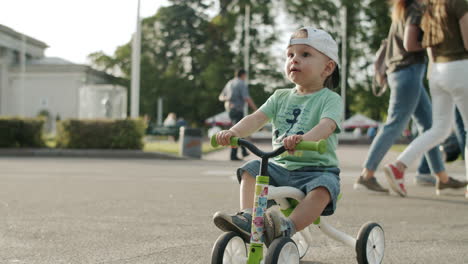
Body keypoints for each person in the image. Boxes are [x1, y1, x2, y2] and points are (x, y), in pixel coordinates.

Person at [212, 27, 343, 245]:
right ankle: (249, 217)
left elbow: (326, 126)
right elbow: (255, 118)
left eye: (305, 54)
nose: (294, 60)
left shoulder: (330, 99)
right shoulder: (280, 97)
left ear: (328, 67)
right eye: (290, 55)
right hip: (280, 167)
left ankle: (285, 228)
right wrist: (233, 132)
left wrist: (304, 140)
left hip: (317, 169)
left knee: (324, 189)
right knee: (250, 170)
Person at [354, 0, 451, 195]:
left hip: (400, 72)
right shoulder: (415, 9)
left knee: (429, 124)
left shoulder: (403, 9)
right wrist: (434, 41)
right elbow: (410, 43)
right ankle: (367, 175)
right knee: (395, 123)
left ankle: (443, 178)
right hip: (409, 70)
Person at [384, 0, 468, 198]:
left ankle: (399, 165)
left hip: (437, 71)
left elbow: (429, 46)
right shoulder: (458, 4)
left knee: (439, 129)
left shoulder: (428, 7)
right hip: (461, 68)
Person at [219, 69, 258, 161]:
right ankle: (234, 154)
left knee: (237, 130)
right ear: (243, 75)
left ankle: (243, 151)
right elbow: (246, 98)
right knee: (237, 132)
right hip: (238, 109)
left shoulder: (229, 83)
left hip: (230, 110)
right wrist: (256, 109)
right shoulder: (241, 83)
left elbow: (220, 97)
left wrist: (227, 99)